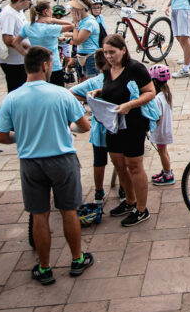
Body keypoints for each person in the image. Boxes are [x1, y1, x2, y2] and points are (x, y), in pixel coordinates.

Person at [0, 46, 94, 285]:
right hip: (62, 160)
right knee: (69, 212)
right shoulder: (61, 94)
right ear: (45, 66)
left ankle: (45, 267)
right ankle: (77, 259)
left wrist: (23, 135)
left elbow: (0, 136)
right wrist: (66, 129)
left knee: (39, 216)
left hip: (30, 162)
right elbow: (85, 125)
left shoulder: (13, 98)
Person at [89, 34, 156, 226]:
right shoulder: (109, 69)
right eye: (106, 52)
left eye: (113, 52)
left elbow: (150, 92)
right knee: (119, 165)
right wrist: (98, 93)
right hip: (113, 124)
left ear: (123, 50)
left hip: (133, 124)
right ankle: (129, 200)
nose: (109, 56)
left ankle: (142, 209)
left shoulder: (135, 68)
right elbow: (112, 89)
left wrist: (131, 105)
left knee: (134, 166)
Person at [69, 50, 112, 202]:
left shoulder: (93, 82)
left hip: (99, 126)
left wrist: (87, 98)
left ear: (96, 65)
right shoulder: (117, 78)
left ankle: (99, 192)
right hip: (116, 126)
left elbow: (70, 92)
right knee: (120, 161)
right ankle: (122, 190)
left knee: (99, 161)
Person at [20, 0, 74, 86]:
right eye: (51, 9)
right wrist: (52, 20)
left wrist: (26, 54)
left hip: (36, 65)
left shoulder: (28, 26)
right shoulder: (49, 28)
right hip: (54, 66)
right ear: (46, 11)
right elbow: (71, 25)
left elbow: (16, 42)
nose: (52, 11)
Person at [0, 0, 34, 92]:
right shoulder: (9, 14)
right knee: (17, 89)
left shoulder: (18, 10)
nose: (30, 2)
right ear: (21, 1)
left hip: (20, 60)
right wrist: (27, 47)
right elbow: (8, 39)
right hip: (13, 62)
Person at [148, 65, 176, 186]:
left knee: (162, 152)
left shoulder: (157, 99)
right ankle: (166, 171)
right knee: (163, 151)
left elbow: (157, 117)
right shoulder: (166, 94)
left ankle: (168, 175)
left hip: (160, 131)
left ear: (154, 81)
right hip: (166, 129)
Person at [69, 0, 101, 78]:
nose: (71, 10)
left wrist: (76, 24)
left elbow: (77, 41)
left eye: (74, 7)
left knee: (92, 83)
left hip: (90, 57)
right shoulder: (82, 20)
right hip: (83, 55)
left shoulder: (89, 22)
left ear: (82, 8)